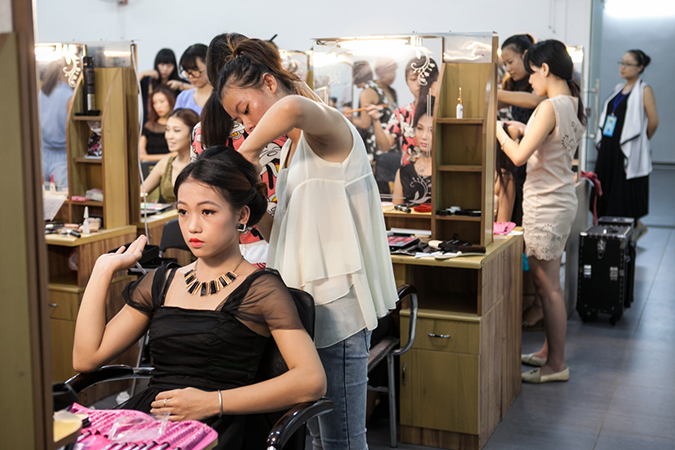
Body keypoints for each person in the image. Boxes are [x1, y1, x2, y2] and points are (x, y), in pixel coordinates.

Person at [73, 147, 326, 450]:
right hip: (152, 421)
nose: (192, 226)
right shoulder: (161, 283)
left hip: (220, 425)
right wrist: (102, 270)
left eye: (207, 212)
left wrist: (212, 402)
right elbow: (86, 358)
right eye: (183, 212)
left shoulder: (261, 290)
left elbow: (311, 380)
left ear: (241, 215)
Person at [218, 38, 398, 449]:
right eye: (237, 120)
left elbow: (292, 107)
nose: (245, 125)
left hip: (337, 312)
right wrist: (251, 205)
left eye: (244, 110)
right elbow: (281, 233)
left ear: (269, 83)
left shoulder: (329, 129)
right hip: (301, 312)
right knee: (315, 436)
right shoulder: (292, 151)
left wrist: (245, 155)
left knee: (342, 441)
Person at [496, 39, 587, 384]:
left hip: (546, 202)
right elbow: (549, 144)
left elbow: (519, 157)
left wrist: (497, 129)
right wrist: (523, 131)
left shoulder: (549, 106)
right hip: (558, 198)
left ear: (545, 69)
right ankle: (549, 352)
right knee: (549, 285)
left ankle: (556, 365)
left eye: (532, 72)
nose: (530, 80)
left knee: (547, 287)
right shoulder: (571, 102)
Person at [594, 49, 659, 240]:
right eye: (621, 62)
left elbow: (653, 122)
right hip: (609, 148)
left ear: (640, 67)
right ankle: (607, 231)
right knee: (606, 189)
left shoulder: (644, 90)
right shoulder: (618, 88)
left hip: (625, 148)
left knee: (623, 192)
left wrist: (642, 141)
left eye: (628, 64)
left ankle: (631, 228)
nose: (622, 67)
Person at [367, 56, 440, 161]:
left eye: (424, 77)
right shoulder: (402, 113)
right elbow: (385, 146)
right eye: (413, 79)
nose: (419, 83)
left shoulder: (443, 111)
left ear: (435, 80)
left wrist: (441, 94)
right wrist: (376, 120)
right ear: (407, 82)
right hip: (408, 170)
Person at [142, 108, 199, 203]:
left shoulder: (201, 165)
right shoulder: (165, 163)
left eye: (176, 130)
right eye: (167, 130)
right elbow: (141, 192)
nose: (169, 136)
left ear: (192, 134)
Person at [392, 96, 434, 205]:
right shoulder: (403, 173)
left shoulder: (447, 172)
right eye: (419, 128)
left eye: (431, 130)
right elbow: (396, 212)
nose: (424, 136)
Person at [39, 58, 73, 190]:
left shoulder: (42, 93)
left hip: (43, 155)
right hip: (62, 158)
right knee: (64, 198)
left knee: (43, 198)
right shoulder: (70, 96)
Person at [350, 60, 395, 158]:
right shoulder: (379, 88)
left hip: (377, 142)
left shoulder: (366, 93)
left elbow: (365, 124)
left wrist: (348, 117)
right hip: (390, 138)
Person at [138, 49, 191, 125]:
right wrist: (143, 73)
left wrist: (181, 85)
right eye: (162, 65)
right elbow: (131, 88)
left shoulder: (178, 82)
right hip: (149, 124)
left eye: (169, 66)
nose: (165, 69)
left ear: (174, 67)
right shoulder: (148, 81)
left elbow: (197, 89)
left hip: (174, 124)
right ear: (157, 64)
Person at [139, 85, 176, 162]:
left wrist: (148, 157)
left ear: (171, 101)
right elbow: (140, 154)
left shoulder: (177, 124)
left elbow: (177, 154)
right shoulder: (149, 125)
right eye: (154, 103)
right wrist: (168, 156)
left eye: (162, 102)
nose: (158, 106)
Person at [175, 44, 213, 116]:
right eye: (186, 70)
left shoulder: (221, 97)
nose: (190, 76)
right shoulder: (183, 98)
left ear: (209, 65)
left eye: (195, 69)